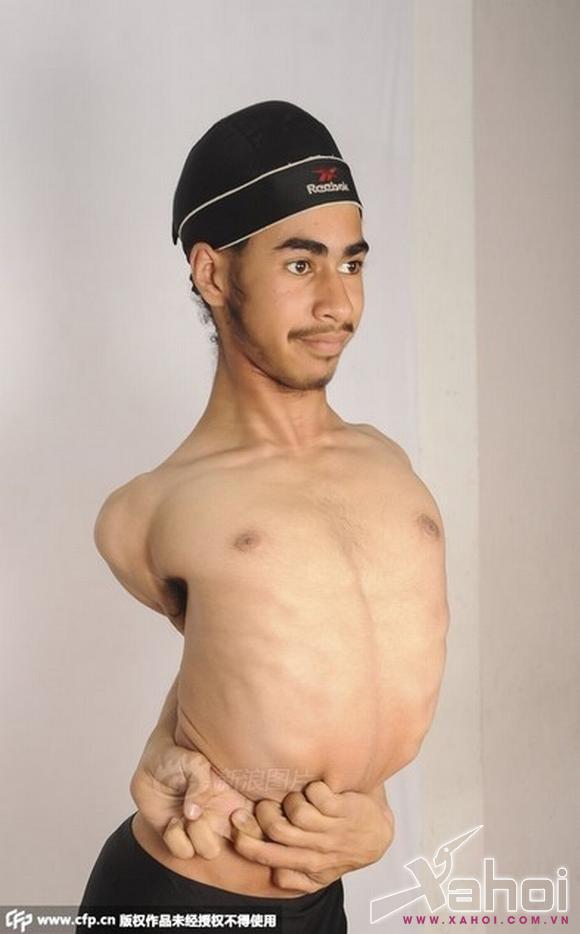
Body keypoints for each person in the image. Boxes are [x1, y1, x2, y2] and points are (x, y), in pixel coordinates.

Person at [77, 100, 449, 932]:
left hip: (320, 900)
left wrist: (378, 811)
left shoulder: (389, 464)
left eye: (352, 263)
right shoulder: (149, 509)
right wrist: (167, 756)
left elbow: (268, 649)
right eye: (300, 264)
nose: (338, 304)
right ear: (214, 275)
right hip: (180, 898)